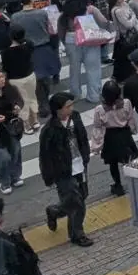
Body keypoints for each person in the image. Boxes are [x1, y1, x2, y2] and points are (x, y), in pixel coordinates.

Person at [41, 91, 94, 247]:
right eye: (67, 106)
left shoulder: (75, 117)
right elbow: (45, 155)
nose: (71, 108)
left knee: (81, 197)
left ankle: (55, 211)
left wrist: (85, 156)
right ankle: (77, 235)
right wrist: (49, 176)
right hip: (63, 171)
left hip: (80, 165)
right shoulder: (49, 130)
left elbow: (82, 136)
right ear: (58, 110)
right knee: (77, 204)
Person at [90, 80, 138, 196]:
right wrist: (133, 130)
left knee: (113, 164)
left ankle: (118, 185)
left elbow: (98, 127)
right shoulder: (126, 103)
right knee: (130, 159)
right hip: (124, 135)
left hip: (110, 138)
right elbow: (131, 118)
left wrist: (96, 146)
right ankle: (135, 181)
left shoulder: (100, 109)